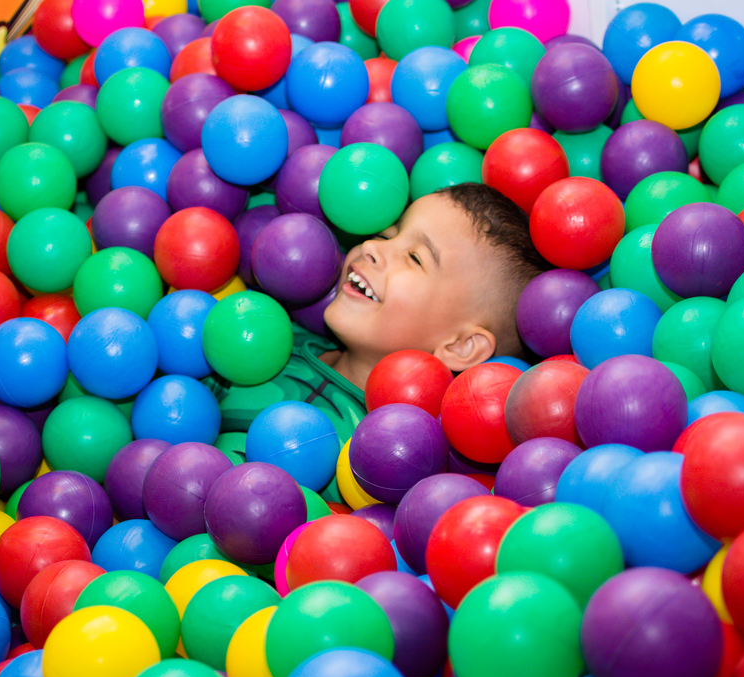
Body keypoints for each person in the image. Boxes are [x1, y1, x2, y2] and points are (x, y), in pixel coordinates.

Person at [206, 182, 553, 500]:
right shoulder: (271, 334)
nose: (372, 246)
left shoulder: (391, 458)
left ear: (460, 345)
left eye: (415, 257)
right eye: (389, 234)